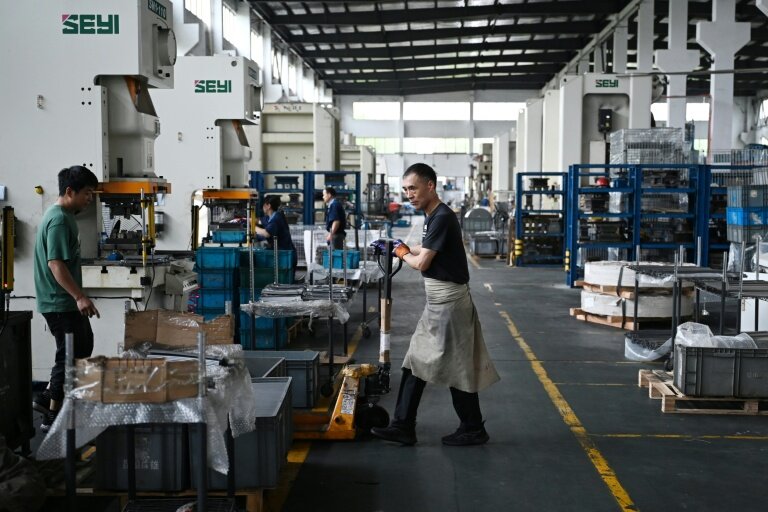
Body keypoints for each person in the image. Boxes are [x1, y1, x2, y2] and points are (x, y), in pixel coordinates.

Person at [370, 163, 500, 446]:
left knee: (440, 364)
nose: (409, 194)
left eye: (413, 188)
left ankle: (458, 427)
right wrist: (396, 246)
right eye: (406, 189)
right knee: (430, 362)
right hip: (440, 303)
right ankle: (415, 426)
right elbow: (427, 248)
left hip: (449, 304)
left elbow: (422, 263)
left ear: (430, 186)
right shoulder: (434, 216)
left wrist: (401, 252)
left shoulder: (441, 217)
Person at [32, 165, 100, 433]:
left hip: (63, 301)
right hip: (59, 301)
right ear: (70, 191)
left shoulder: (62, 216)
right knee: (69, 355)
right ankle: (52, 415)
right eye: (87, 193)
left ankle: (48, 398)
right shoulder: (59, 220)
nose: (90, 199)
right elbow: (56, 264)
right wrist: (79, 296)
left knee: (81, 347)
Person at [254, 195, 298, 277]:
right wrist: (246, 220)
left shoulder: (276, 218)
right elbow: (260, 221)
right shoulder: (271, 217)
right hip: (282, 254)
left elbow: (266, 233)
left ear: (268, 206)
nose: (262, 207)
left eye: (263, 205)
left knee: (284, 281)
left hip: (285, 256)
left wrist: (252, 227)